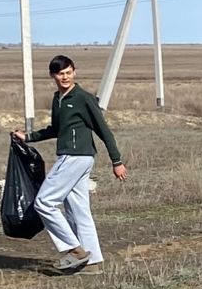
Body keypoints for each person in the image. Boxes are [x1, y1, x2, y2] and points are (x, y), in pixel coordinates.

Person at [11, 55, 127, 273]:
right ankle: (92, 264)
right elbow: (56, 130)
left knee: (44, 202)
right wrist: (28, 137)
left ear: (75, 72)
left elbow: (103, 130)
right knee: (78, 210)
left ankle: (74, 250)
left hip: (75, 157)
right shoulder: (58, 98)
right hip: (73, 157)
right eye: (60, 73)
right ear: (52, 75)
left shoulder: (84, 98)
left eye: (68, 72)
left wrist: (117, 161)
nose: (65, 77)